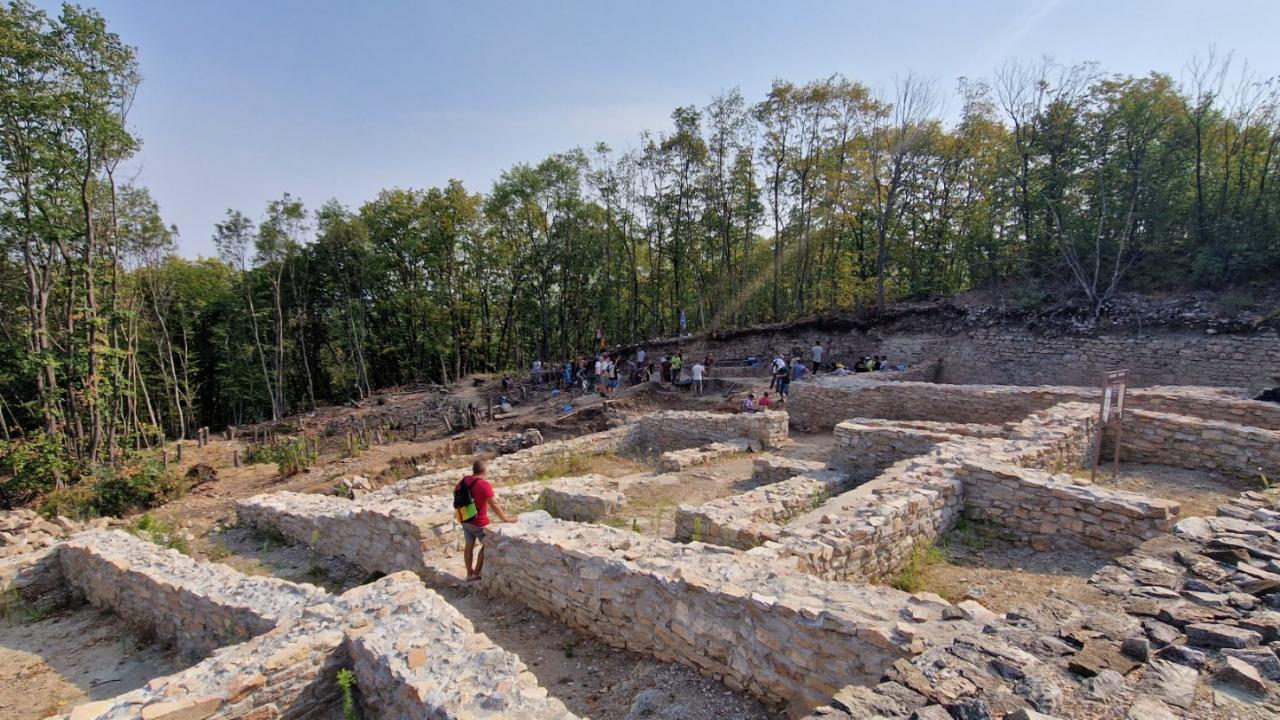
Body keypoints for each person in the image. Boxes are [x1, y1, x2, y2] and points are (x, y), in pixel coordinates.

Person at [455, 460, 516, 582]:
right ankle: (476, 573)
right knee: (488, 545)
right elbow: (494, 504)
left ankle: (469, 573)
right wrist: (505, 518)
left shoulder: (464, 481)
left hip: (465, 519)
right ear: (483, 471)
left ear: (474, 470)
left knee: (469, 546)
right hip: (478, 522)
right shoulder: (483, 484)